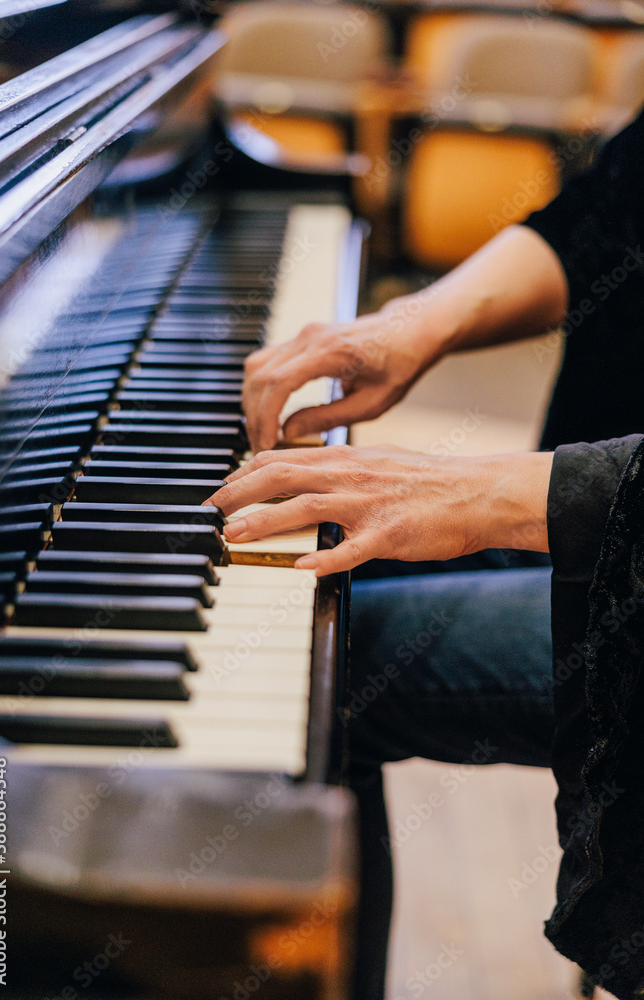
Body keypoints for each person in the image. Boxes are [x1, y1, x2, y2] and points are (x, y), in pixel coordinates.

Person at [209, 108, 644, 999]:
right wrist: (415, 321)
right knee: (304, 561)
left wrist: (484, 496)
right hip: (599, 509)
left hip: (622, 544)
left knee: (317, 659)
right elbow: (612, 211)